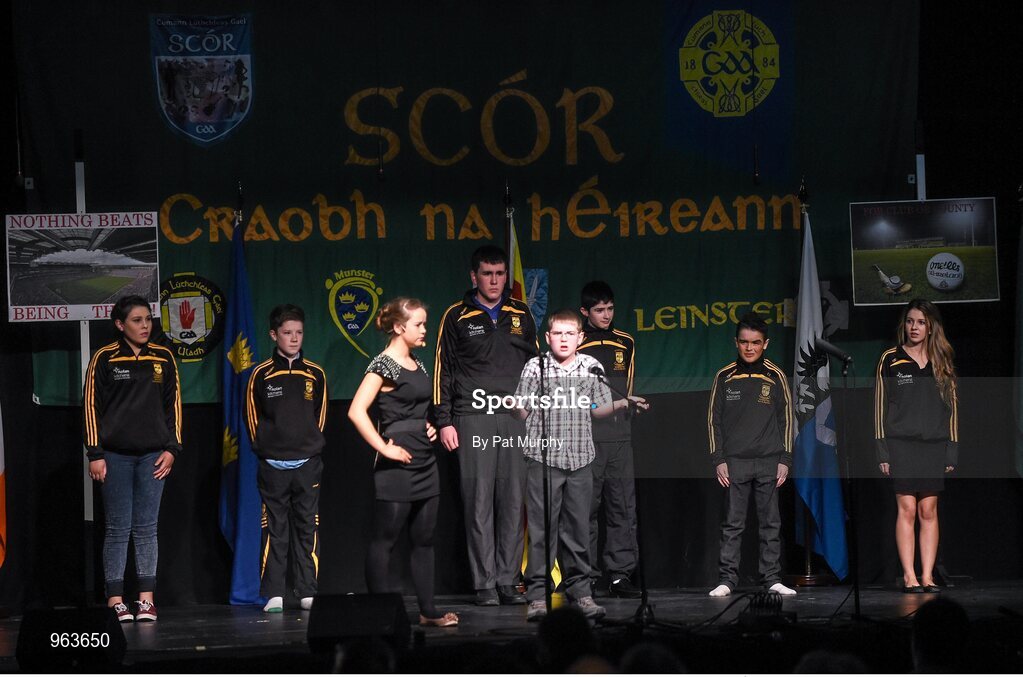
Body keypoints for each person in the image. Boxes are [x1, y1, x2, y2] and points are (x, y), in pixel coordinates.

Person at [433, 245, 538, 606]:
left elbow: (536, 366)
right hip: (473, 416)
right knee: (478, 502)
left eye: (500, 273)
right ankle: (485, 584)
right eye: (487, 274)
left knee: (512, 500)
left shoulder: (521, 313)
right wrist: (444, 421)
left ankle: (508, 581)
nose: (494, 281)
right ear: (474, 276)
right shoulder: (456, 315)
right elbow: (442, 370)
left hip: (515, 417)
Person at [514, 309, 630, 621]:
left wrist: (617, 403)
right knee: (542, 530)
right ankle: (538, 596)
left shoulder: (591, 366)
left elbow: (598, 408)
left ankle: (581, 592)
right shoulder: (534, 367)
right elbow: (521, 412)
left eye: (570, 334)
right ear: (548, 337)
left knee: (578, 528)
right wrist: (515, 408)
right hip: (543, 459)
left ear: (580, 338)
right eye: (558, 334)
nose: (564, 339)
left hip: (580, 459)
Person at [349, 298, 458, 627]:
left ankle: (428, 611)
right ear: (399, 328)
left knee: (424, 538)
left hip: (425, 458)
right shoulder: (384, 365)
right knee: (386, 538)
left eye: (425, 324)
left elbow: (416, 406)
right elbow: (356, 411)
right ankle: (380, 613)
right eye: (419, 325)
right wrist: (384, 447)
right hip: (398, 463)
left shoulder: (417, 362)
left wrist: (426, 425)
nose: (425, 330)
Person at [83, 295, 181, 623]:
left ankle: (145, 599)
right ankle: (115, 599)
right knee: (116, 527)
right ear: (120, 324)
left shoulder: (163, 356)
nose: (144, 325)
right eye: (137, 320)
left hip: (154, 455)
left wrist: (171, 448)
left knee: (146, 527)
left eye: (148, 319)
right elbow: (91, 407)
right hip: (114, 455)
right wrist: (95, 453)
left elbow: (174, 407)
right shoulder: (105, 357)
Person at [706, 312, 796, 597]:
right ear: (736, 342)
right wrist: (718, 459)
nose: (749, 348)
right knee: (732, 524)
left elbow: (788, 420)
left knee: (771, 523)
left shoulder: (776, 375)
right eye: (744, 342)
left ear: (765, 343)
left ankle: (771, 578)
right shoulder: (724, 376)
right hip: (734, 463)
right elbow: (713, 421)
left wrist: (785, 459)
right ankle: (727, 579)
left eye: (755, 343)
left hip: (769, 461)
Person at [246, 304, 328, 612]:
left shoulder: (315, 373)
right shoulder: (261, 374)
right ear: (273, 335)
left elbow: (320, 418)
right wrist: (267, 450)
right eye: (287, 333)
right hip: (273, 466)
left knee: (308, 525)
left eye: (299, 333)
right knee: (275, 528)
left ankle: (307, 590)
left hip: (308, 464)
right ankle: (274, 593)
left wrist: (309, 448)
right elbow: (252, 418)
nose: (294, 339)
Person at [874, 299, 958, 593]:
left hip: (934, 444)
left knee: (928, 510)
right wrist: (882, 450)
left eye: (921, 322)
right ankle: (909, 576)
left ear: (931, 326)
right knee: (907, 508)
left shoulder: (942, 360)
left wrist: (952, 448)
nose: (914, 327)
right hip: (901, 443)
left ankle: (927, 576)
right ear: (904, 324)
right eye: (910, 321)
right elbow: (879, 407)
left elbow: (952, 409)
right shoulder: (890, 358)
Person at [577, 280, 648, 598]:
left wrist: (627, 405)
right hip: (586, 439)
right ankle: (585, 576)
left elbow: (626, 388)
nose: (606, 315)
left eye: (610, 308)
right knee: (585, 509)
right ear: (584, 312)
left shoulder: (626, 342)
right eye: (599, 310)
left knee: (622, 508)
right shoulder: (575, 342)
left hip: (620, 438)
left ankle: (620, 575)